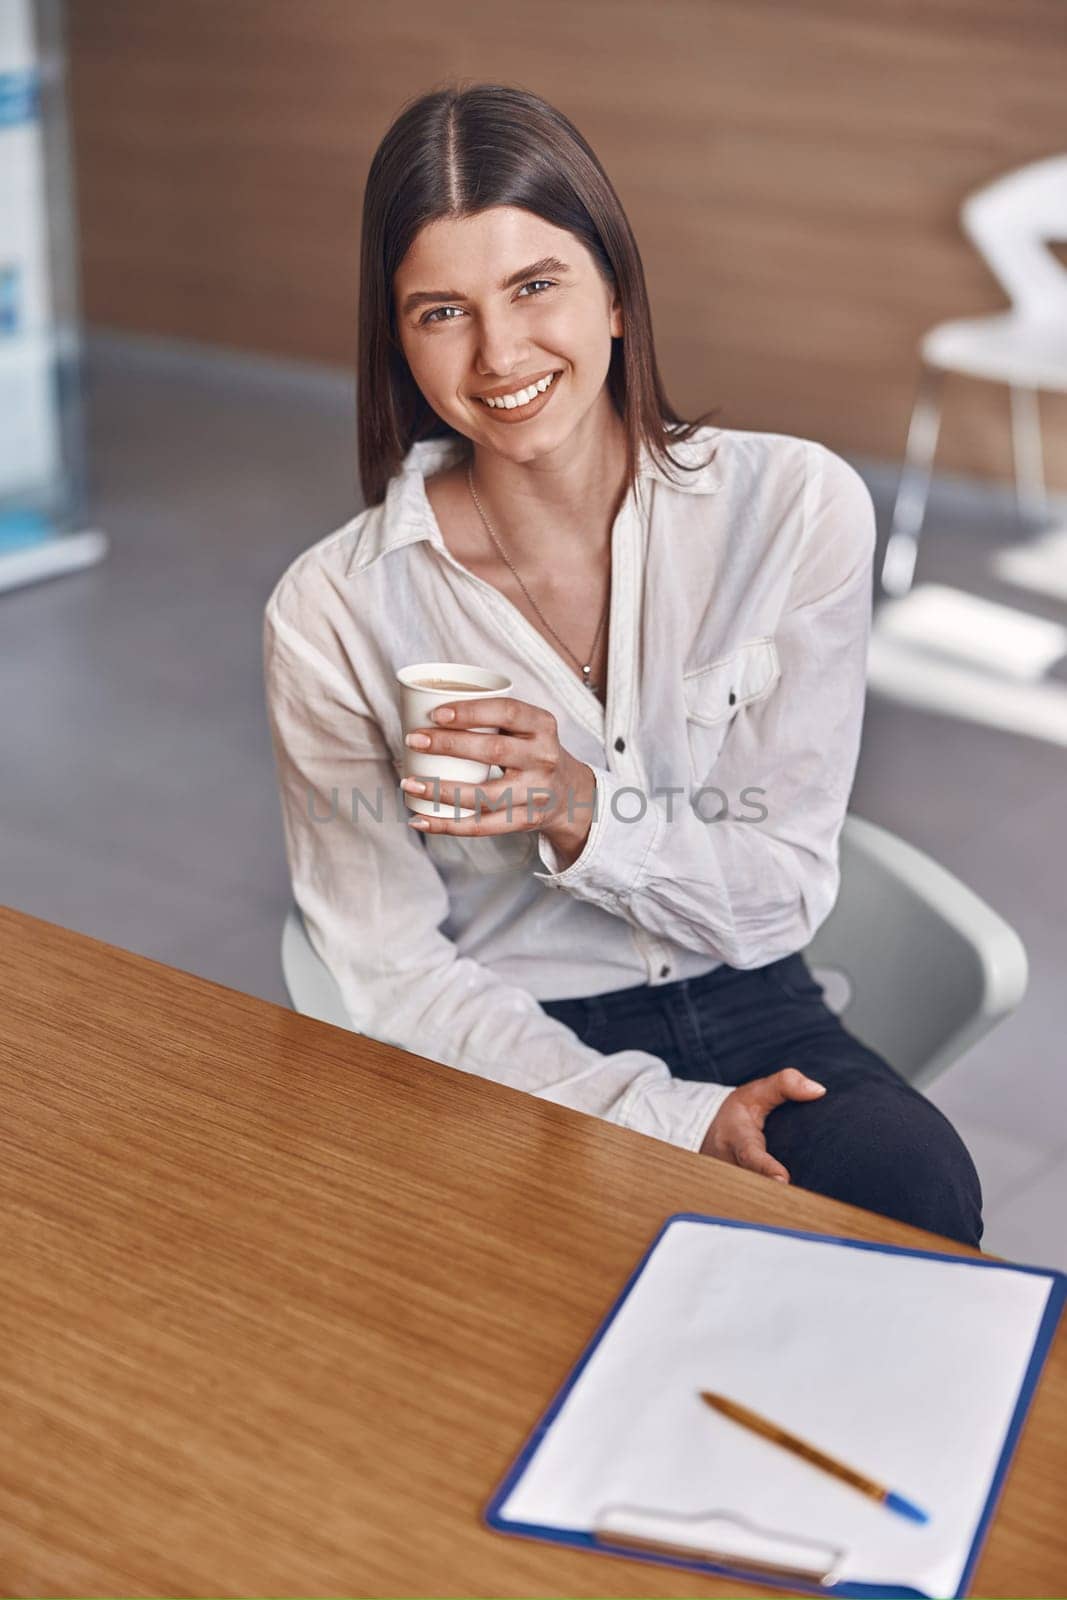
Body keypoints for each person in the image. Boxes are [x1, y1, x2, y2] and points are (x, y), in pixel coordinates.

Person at [263, 82, 982, 1248]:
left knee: (905, 1186)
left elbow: (780, 892)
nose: (499, 353)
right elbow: (386, 965)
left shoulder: (790, 508)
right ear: (396, 340)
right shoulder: (332, 608)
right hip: (510, 1028)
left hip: (754, 989)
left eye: (533, 285)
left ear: (611, 293)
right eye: (440, 311)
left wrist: (580, 809)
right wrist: (662, 1117)